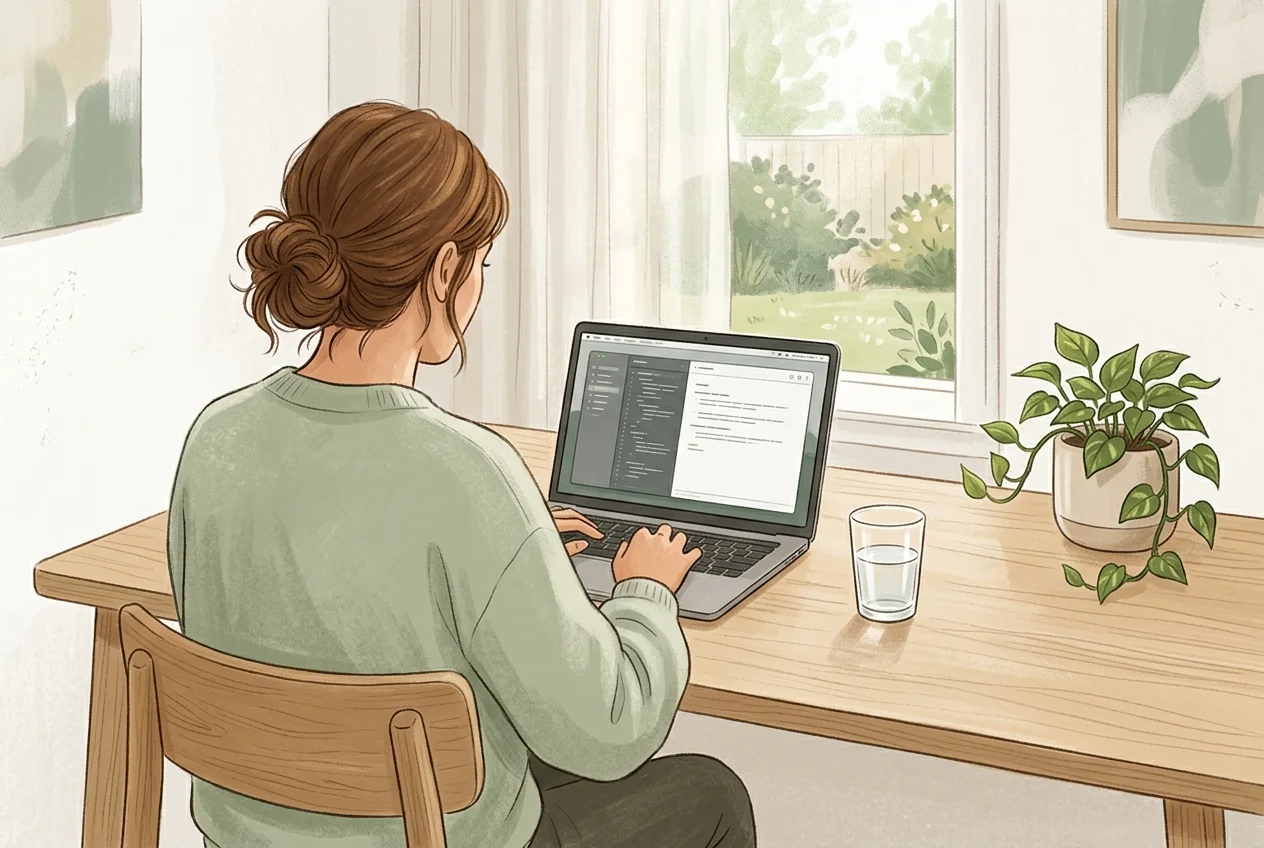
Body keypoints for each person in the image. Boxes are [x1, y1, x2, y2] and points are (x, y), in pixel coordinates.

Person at [166, 101, 756, 848]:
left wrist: (525, 555)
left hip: (257, 832)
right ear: (445, 268)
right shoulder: (467, 473)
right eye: (478, 265)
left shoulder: (218, 438)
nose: (475, 286)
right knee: (712, 793)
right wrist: (644, 592)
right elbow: (612, 727)